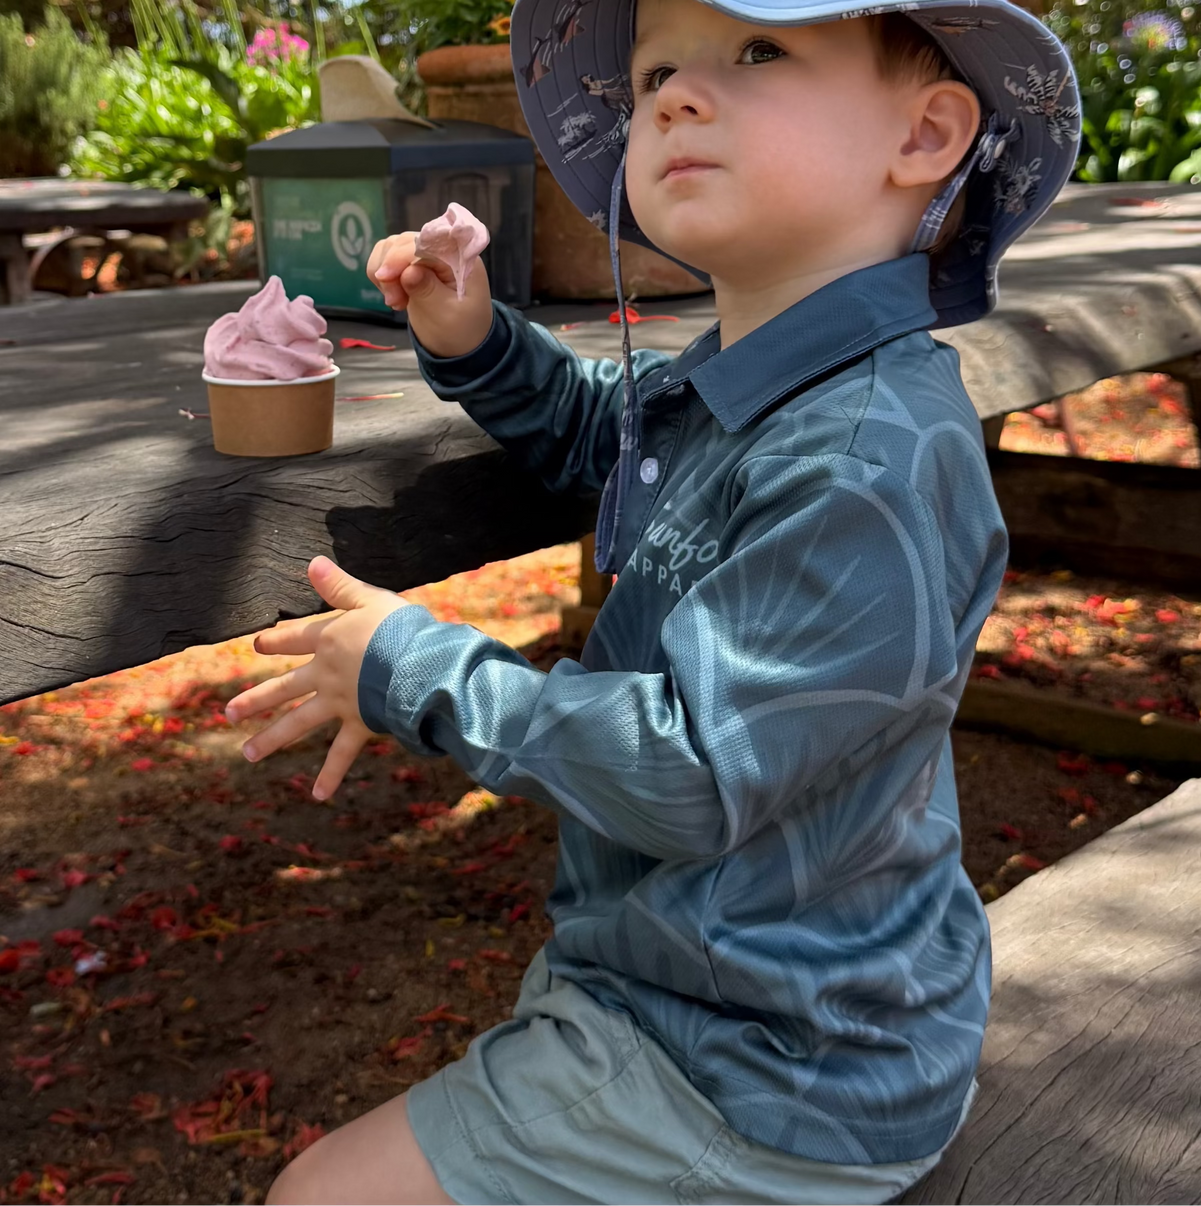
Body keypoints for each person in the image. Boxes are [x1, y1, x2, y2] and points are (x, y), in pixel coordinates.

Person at [226, 1, 1080, 1202]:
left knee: (319, 1194)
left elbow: (690, 773)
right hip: (763, 990)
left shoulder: (858, 462)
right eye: (658, 70)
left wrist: (414, 667)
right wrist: (478, 340)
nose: (674, 95)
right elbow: (613, 443)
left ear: (928, 133)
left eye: (761, 51)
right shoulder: (783, 384)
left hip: (772, 1063)